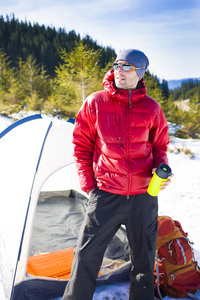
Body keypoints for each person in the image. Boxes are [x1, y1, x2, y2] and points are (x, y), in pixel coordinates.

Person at [62, 49, 172, 300]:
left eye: (127, 66)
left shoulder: (152, 108)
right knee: (86, 255)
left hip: (144, 195)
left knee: (143, 260)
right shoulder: (95, 102)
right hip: (106, 193)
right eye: (117, 65)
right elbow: (82, 147)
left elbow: (159, 146)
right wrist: (89, 187)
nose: (119, 70)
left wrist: (160, 165)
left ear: (140, 72)